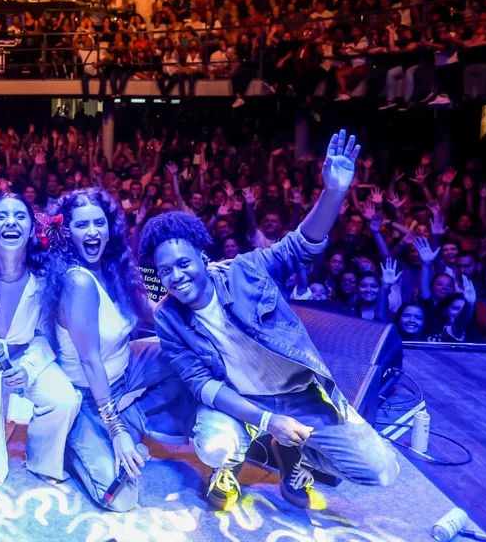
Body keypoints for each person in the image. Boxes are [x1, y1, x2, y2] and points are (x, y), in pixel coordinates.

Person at [147, 131, 398, 512]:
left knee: (382, 472)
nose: (177, 276)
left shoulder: (247, 270)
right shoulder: (168, 317)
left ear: (202, 255)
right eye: (166, 271)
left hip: (301, 394)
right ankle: (231, 465)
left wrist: (333, 192)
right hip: (239, 400)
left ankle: (292, 452)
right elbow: (202, 386)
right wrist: (267, 419)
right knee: (214, 446)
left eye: (183, 264)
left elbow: (301, 244)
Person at [41, 187, 192, 511]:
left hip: (127, 371)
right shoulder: (77, 282)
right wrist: (116, 430)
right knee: (121, 499)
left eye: (99, 222)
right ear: (66, 233)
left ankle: (129, 420)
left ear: (110, 227)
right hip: (90, 396)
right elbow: (90, 360)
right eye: (82, 225)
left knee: (190, 355)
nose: (93, 232)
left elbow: (153, 313)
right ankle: (73, 443)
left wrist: (185, 277)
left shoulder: (117, 268)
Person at [0, 193, 80, 486]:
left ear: (32, 229)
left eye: (20, 216)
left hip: (21, 358)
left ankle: (42, 458)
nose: (11, 221)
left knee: (64, 401)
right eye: (1, 216)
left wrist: (28, 370)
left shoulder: (46, 274)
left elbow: (45, 335)